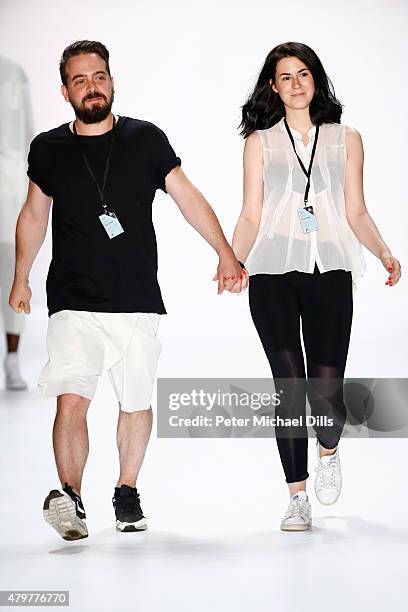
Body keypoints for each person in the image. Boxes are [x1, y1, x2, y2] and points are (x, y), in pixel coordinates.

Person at [8, 40, 243, 541]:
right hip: (73, 298)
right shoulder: (48, 148)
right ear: (65, 90)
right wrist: (21, 276)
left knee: (135, 401)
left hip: (137, 295)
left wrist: (224, 252)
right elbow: (32, 215)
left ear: (111, 81)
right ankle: (70, 497)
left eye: (98, 77)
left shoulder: (145, 140)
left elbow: (188, 197)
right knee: (71, 397)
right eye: (79, 80)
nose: (91, 86)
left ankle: (126, 489)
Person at [229, 41, 401, 531]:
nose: (296, 84)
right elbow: (250, 213)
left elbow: (356, 210)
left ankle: (329, 448)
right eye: (286, 77)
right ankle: (296, 496)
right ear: (272, 85)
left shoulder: (346, 138)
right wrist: (232, 260)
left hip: (330, 273)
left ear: (316, 79)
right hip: (273, 273)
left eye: (304, 74)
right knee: (289, 387)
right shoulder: (260, 143)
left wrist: (384, 252)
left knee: (324, 392)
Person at [0, 55, 33, 391]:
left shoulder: (12, 71)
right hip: (9, 190)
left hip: (9, 195)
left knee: (14, 277)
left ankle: (12, 360)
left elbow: (28, 135)